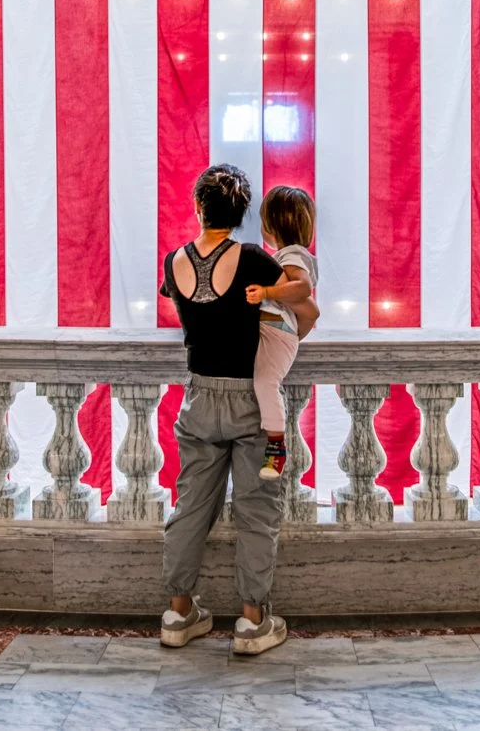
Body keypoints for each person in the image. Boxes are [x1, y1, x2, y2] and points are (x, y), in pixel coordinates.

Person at [159, 164, 289, 656]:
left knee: (191, 505)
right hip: (252, 401)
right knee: (257, 508)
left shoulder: (174, 260)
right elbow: (297, 296)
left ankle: (179, 612)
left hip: (198, 398)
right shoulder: (254, 258)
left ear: (198, 207)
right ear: (241, 213)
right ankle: (253, 621)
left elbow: (174, 297)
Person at [242, 185, 319, 481]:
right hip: (275, 330)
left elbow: (303, 289)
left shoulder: (293, 257)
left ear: (272, 226)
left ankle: (276, 445)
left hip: (276, 331)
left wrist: (267, 291)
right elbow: (310, 314)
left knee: (265, 382)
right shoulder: (289, 255)